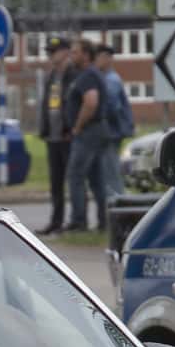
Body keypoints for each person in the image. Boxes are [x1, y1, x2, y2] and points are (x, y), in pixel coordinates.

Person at [64, 41, 110, 233]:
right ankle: (104, 221)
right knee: (97, 178)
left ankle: (78, 221)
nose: (71, 56)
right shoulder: (92, 74)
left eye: (75, 52)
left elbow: (91, 102)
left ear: (85, 55)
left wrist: (77, 126)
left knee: (75, 176)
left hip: (88, 131)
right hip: (98, 130)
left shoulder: (87, 76)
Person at [37, 38, 74, 234]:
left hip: (67, 137)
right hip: (52, 136)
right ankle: (56, 221)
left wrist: (70, 128)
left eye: (55, 51)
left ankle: (77, 221)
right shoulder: (51, 76)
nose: (51, 55)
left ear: (66, 52)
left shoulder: (72, 74)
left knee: (74, 180)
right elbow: (48, 104)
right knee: (56, 182)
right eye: (49, 52)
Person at [96, 44, 134, 206]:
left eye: (98, 57)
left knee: (110, 172)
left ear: (107, 58)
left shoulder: (111, 80)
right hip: (111, 132)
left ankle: (119, 207)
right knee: (109, 171)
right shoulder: (107, 78)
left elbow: (111, 106)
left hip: (111, 133)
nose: (95, 61)